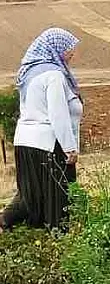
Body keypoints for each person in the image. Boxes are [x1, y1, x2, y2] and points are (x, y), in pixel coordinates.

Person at [0, 29, 82, 233]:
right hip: (47, 144)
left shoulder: (30, 73)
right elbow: (58, 114)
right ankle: (59, 241)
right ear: (56, 49)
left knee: (31, 194)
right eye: (69, 48)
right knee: (58, 196)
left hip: (25, 142)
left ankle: (5, 222)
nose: (72, 53)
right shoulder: (53, 75)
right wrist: (70, 148)